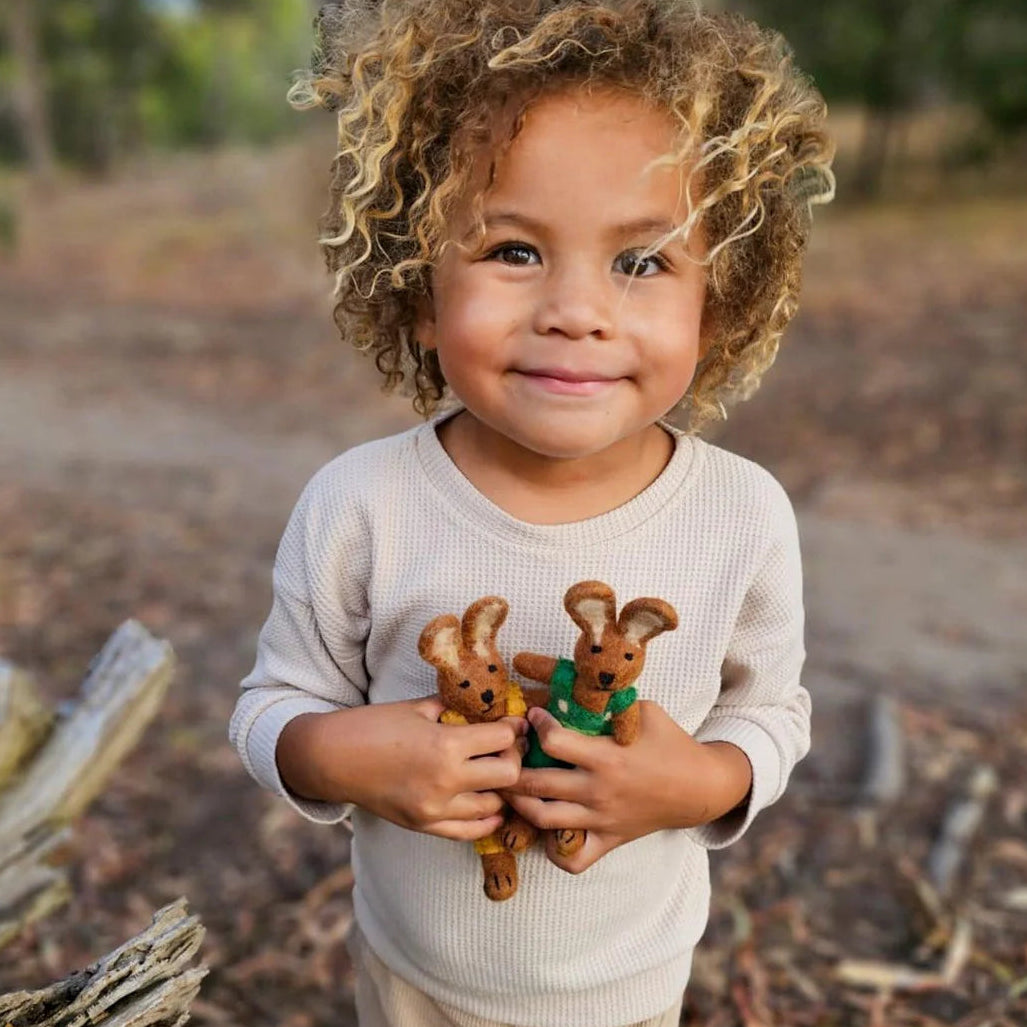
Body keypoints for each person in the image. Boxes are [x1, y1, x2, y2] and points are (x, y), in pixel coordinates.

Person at [229, 1, 834, 1024]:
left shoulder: (742, 515)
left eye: (641, 262)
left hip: (631, 987)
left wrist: (702, 783)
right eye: (513, 250)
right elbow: (271, 702)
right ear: (417, 286)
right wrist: (340, 755)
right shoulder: (362, 503)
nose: (575, 309)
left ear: (716, 305)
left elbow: (774, 712)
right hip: (414, 977)